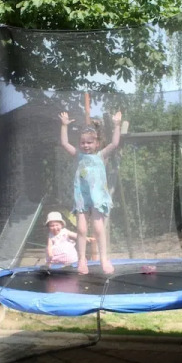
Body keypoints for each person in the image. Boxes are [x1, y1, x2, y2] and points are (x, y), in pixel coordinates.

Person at [59, 110, 122, 274]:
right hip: (82, 197)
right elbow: (64, 143)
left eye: (89, 143)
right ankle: (81, 259)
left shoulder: (101, 155)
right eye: (83, 143)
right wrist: (64, 126)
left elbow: (115, 143)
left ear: (96, 144)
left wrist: (117, 125)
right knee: (81, 229)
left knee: (98, 229)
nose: (86, 145)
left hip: (97, 197)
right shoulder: (78, 155)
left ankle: (103, 259)